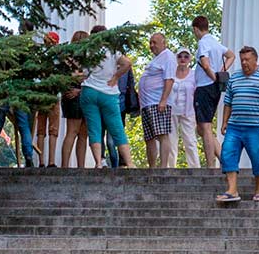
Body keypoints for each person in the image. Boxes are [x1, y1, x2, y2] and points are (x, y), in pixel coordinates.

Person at [217, 45, 259, 203]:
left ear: (255, 60)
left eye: (247, 59)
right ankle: (232, 190)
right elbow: (228, 101)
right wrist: (224, 121)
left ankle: (258, 191)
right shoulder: (235, 77)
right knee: (227, 154)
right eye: (242, 60)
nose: (244, 63)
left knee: (258, 158)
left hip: (257, 127)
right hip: (235, 126)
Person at [78, 25, 132, 169]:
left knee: (94, 129)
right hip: (108, 93)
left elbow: (84, 74)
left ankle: (98, 162)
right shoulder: (113, 51)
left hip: (89, 91)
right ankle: (130, 163)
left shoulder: (88, 51)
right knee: (117, 129)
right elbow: (127, 63)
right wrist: (116, 76)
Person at [191, 15, 232, 169]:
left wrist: (214, 75)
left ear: (196, 29)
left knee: (206, 127)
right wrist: (223, 70)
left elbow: (205, 64)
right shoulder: (215, 42)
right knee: (201, 128)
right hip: (215, 88)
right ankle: (223, 158)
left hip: (205, 86)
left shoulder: (203, 43)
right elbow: (231, 55)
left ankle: (210, 165)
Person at [139, 31, 179, 168]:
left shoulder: (168, 56)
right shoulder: (156, 59)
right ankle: (152, 168)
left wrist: (163, 100)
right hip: (147, 104)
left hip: (158, 102)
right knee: (149, 138)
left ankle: (163, 167)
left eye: (154, 42)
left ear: (164, 43)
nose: (151, 45)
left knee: (162, 134)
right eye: (150, 42)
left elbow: (169, 79)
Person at [60, 29, 91, 169]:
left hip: (83, 95)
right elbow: (75, 77)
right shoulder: (68, 59)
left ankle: (80, 167)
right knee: (73, 131)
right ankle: (65, 166)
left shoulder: (88, 61)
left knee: (83, 134)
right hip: (72, 97)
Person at [31, 30, 61, 167]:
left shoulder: (39, 56)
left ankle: (41, 160)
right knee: (53, 129)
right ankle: (51, 161)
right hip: (53, 95)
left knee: (41, 130)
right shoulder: (58, 56)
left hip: (40, 94)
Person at [169, 50, 201, 168]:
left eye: (186, 56)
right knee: (171, 141)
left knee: (190, 141)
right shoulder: (171, 73)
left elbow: (198, 93)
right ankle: (170, 167)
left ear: (189, 59)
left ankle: (195, 168)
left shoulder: (194, 74)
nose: (183, 59)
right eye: (180, 56)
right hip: (171, 110)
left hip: (188, 111)